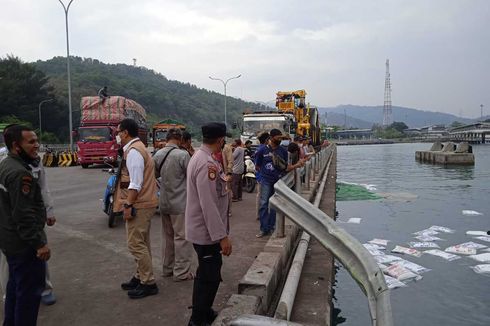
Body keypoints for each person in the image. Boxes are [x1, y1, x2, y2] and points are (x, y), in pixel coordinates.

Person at [0, 125, 51, 325]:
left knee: (15, 288)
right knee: (29, 296)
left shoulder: (5, 165)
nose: (36, 146)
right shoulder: (21, 174)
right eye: (31, 142)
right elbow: (23, 215)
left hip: (10, 241)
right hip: (24, 245)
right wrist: (39, 244)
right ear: (16, 145)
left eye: (37, 141)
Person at [185, 122, 232, 326]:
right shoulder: (206, 164)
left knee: (210, 273)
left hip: (205, 231)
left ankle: (204, 312)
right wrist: (222, 237)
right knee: (208, 277)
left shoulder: (203, 158)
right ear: (220, 140)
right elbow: (209, 205)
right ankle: (197, 320)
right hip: (207, 233)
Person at [114, 118, 159, 299]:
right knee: (143, 242)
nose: (117, 136)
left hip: (139, 204)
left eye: (118, 132)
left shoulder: (133, 152)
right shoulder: (138, 148)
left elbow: (135, 182)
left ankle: (148, 283)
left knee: (135, 244)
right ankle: (140, 276)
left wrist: (128, 204)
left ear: (125, 133)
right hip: (146, 202)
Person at [153, 128, 194, 281]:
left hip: (164, 202)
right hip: (180, 204)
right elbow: (191, 178)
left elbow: (155, 176)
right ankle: (181, 272)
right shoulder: (183, 155)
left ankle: (167, 269)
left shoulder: (158, 154)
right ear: (179, 139)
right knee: (182, 238)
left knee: (167, 237)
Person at [254, 129, 304, 237]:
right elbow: (257, 166)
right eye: (277, 138)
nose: (279, 140)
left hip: (277, 181)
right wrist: (263, 175)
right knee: (263, 204)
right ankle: (263, 228)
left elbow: (286, 167)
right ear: (271, 138)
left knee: (274, 205)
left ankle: (272, 227)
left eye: (280, 138)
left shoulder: (283, 151)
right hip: (266, 180)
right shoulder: (262, 151)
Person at [254, 132, 269, 221]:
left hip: (260, 176)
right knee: (262, 196)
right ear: (267, 140)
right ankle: (260, 214)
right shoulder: (264, 150)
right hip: (263, 177)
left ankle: (259, 214)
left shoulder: (258, 149)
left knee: (260, 195)